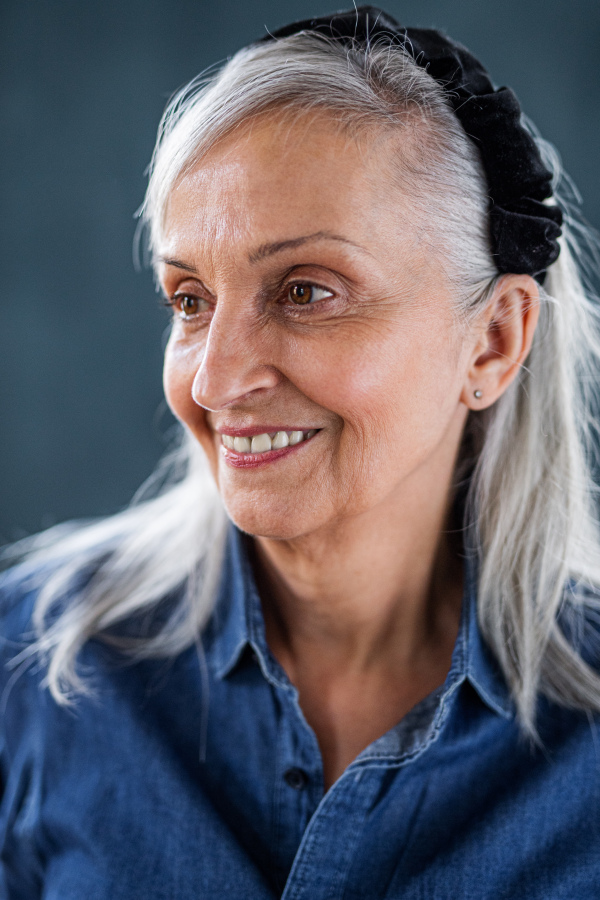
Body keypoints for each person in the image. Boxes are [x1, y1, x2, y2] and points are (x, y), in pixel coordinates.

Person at [2, 6, 600, 896]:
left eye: (306, 290)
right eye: (191, 299)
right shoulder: (28, 662)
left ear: (493, 343)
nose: (214, 381)